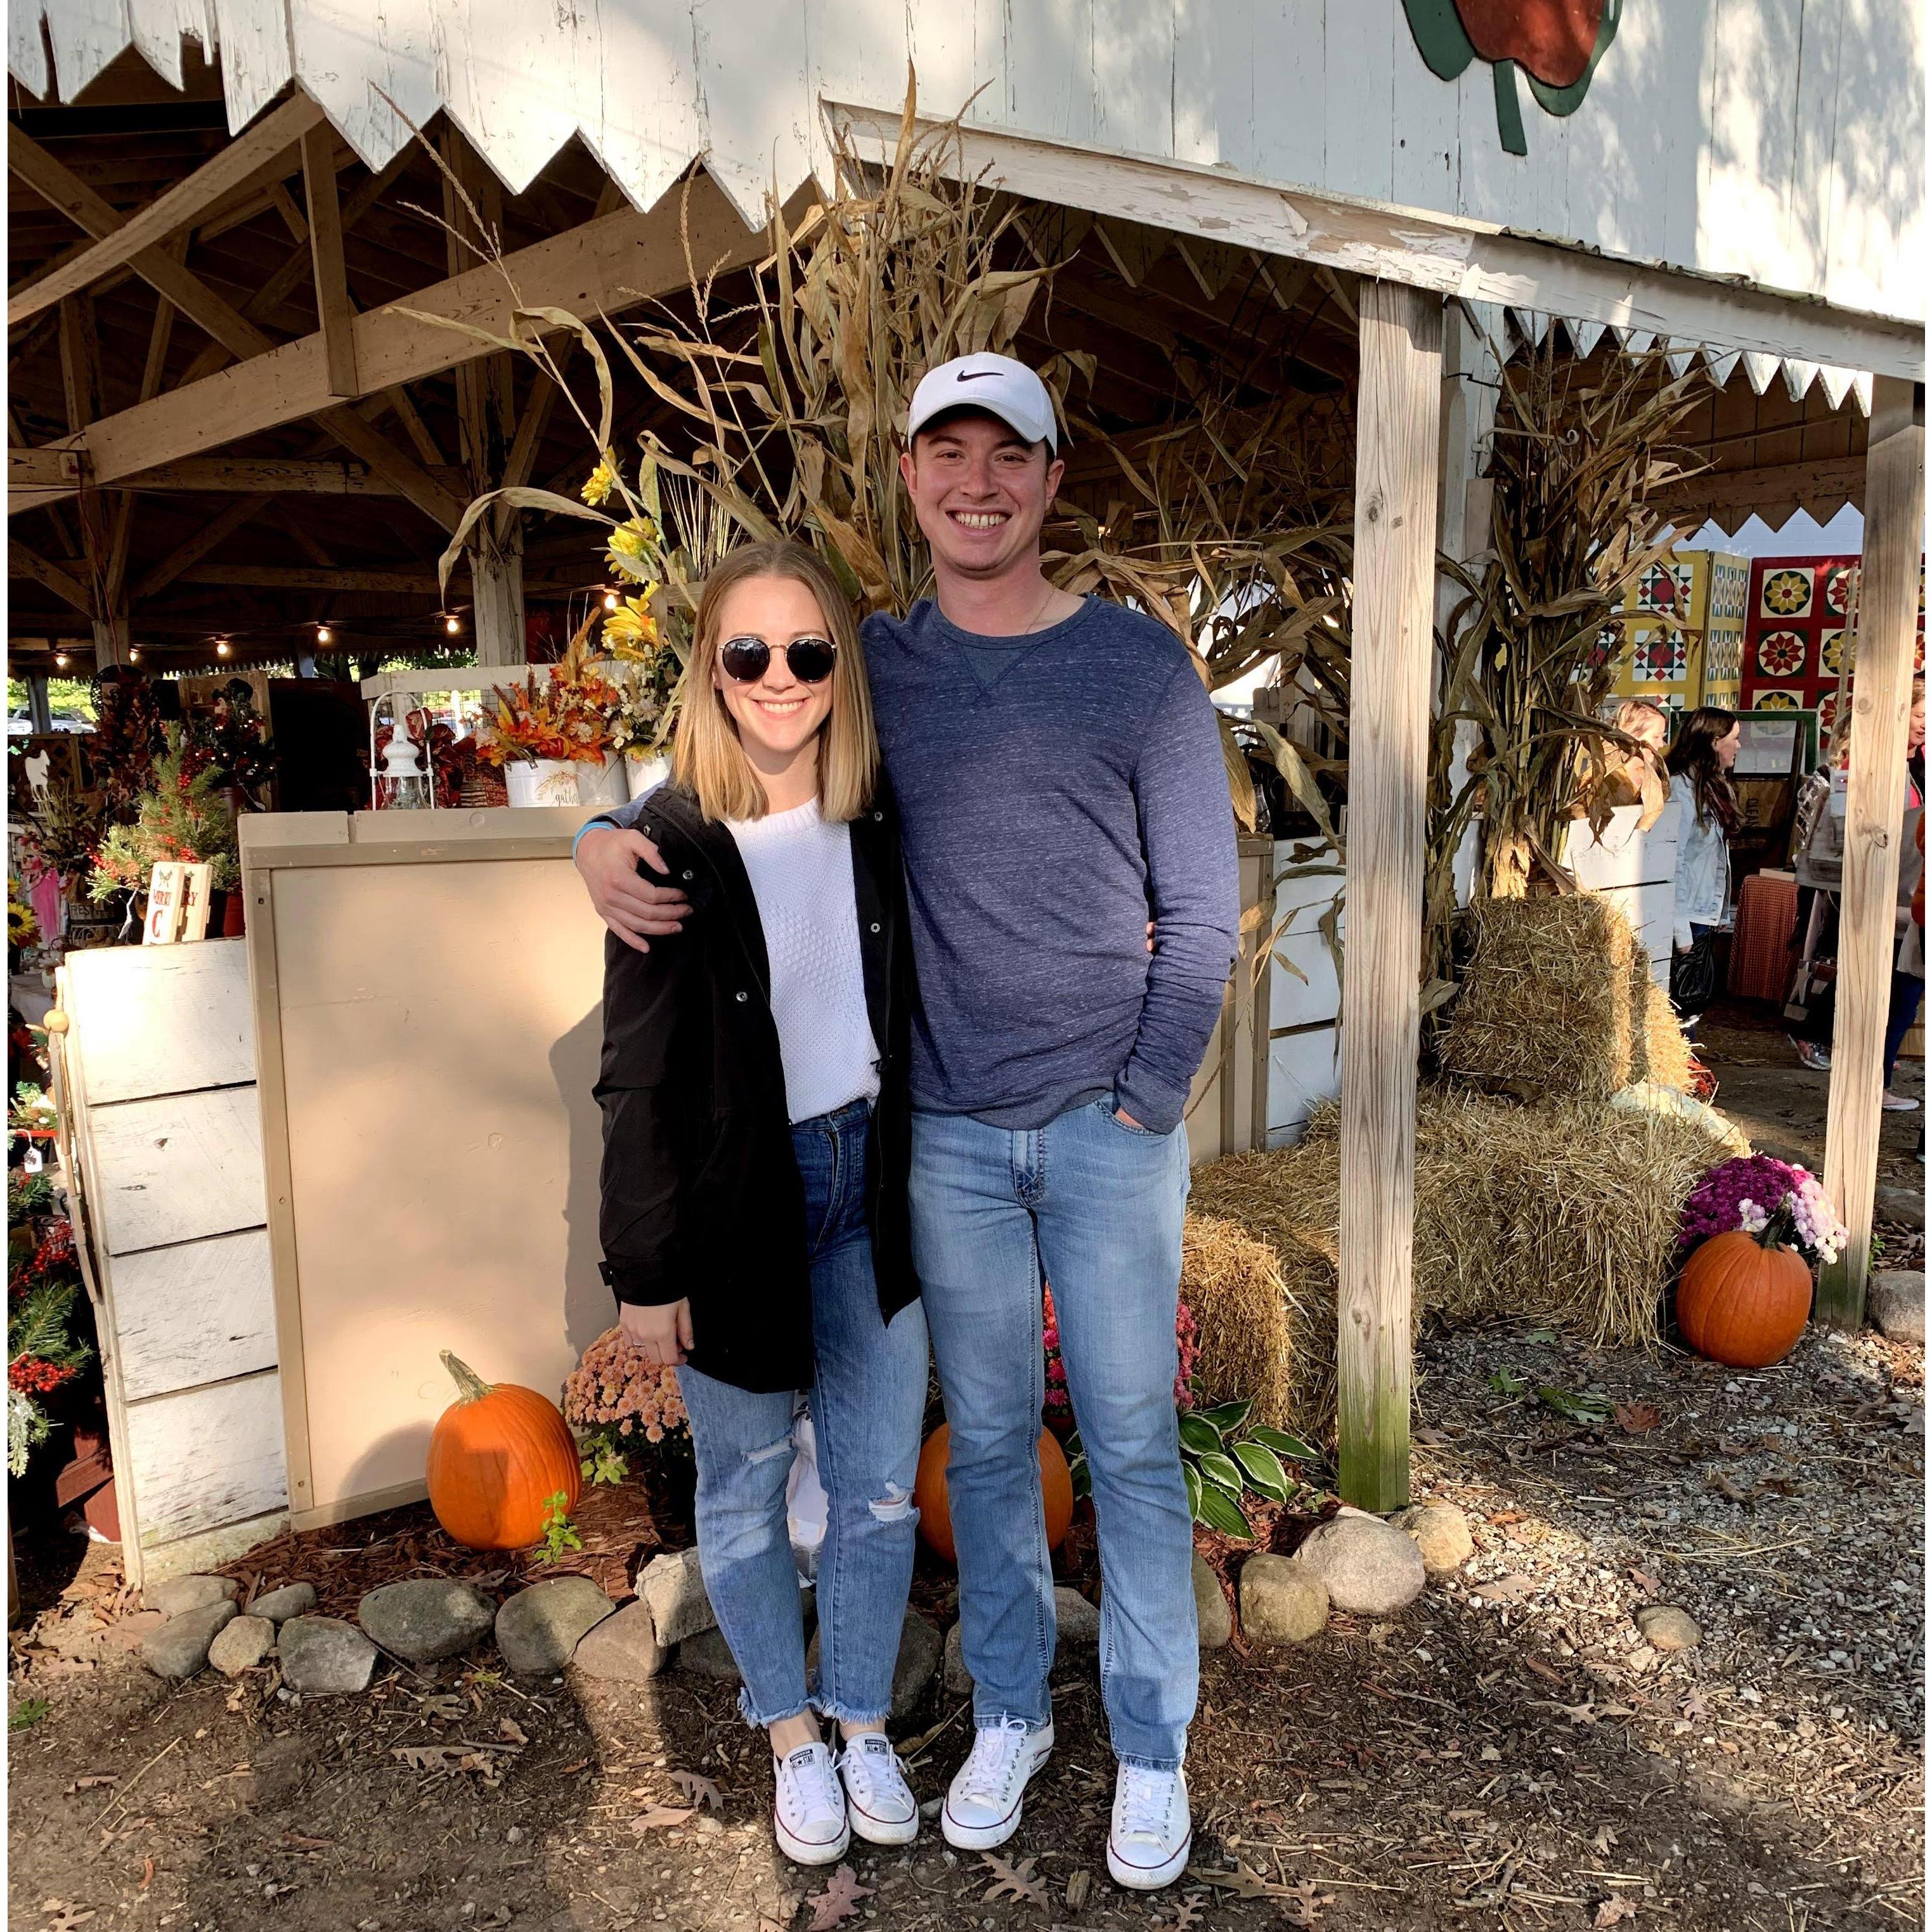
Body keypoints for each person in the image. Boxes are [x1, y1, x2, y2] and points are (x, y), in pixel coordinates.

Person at [578, 353, 1240, 1891]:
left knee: (1132, 1442)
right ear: (911, 481)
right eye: (946, 455)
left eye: (1006, 456)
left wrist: (1146, 1098)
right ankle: (1007, 1707)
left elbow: (1202, 916)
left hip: (1101, 1129)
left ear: (1051, 477)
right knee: (992, 1442)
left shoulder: (1137, 670)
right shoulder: (876, 662)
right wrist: (597, 831)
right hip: (935, 1136)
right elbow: (728, 734)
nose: (977, 483)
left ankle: (1150, 1741)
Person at [595, 540, 928, 1867]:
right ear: (711, 674)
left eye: (806, 651)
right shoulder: (665, 842)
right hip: (744, 1194)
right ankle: (787, 1730)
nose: (779, 678)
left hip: (873, 1178)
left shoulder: (882, 812)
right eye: (749, 653)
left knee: (877, 1487)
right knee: (736, 1486)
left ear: (838, 666)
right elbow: (637, 1071)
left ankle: (858, 1717)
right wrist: (643, 1264)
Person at [1664, 705, 1740, 1033]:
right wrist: (1681, 929)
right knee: (1681, 1006)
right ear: (1714, 742)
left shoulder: (1712, 786)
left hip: (1701, 912)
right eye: (1734, 739)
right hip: (1687, 914)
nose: (1738, 746)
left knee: (1691, 1002)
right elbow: (1674, 861)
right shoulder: (1682, 789)